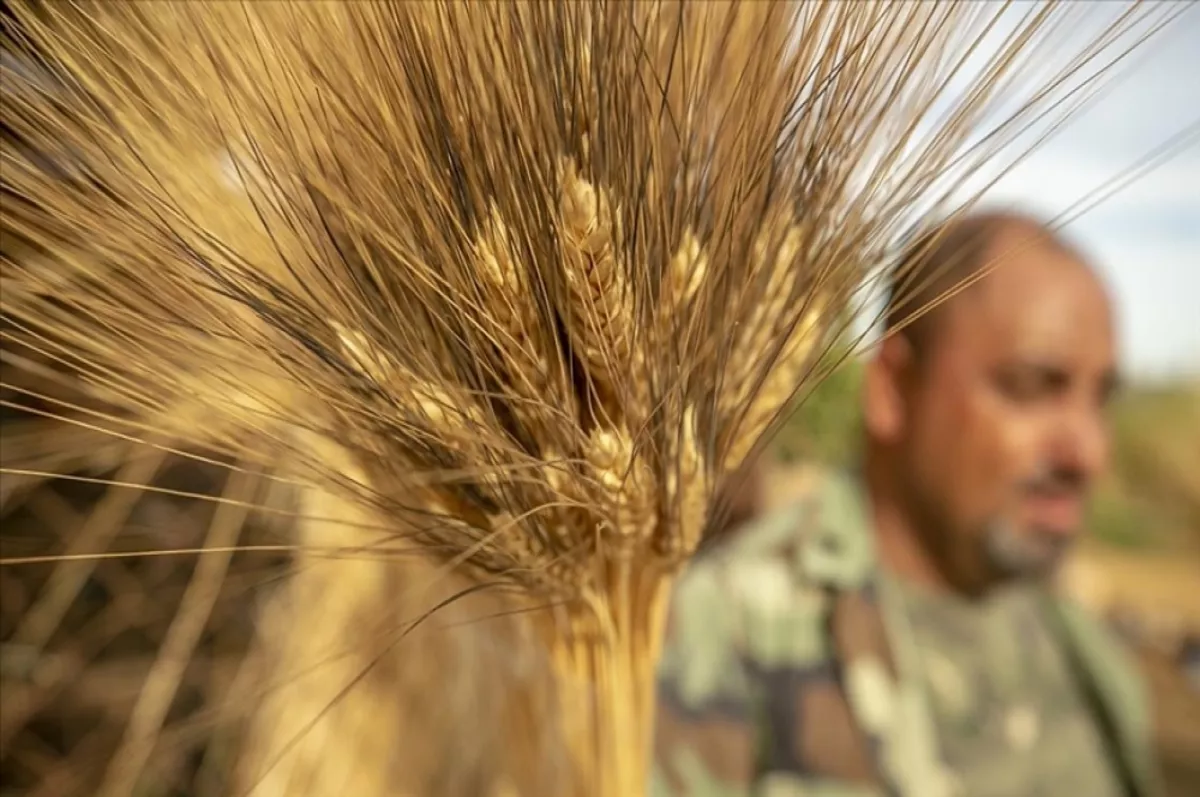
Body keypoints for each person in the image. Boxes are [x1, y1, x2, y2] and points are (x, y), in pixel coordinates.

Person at [651, 210, 1161, 797]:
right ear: (892, 389)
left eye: (1101, 399)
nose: (1087, 453)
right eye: (1030, 387)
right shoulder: (724, 636)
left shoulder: (1084, 652)